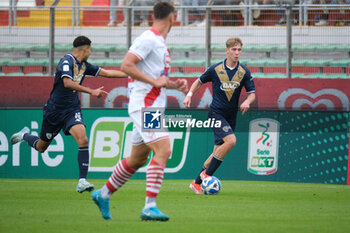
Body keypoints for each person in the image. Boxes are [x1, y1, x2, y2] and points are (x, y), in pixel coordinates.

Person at [91, 1, 188, 221]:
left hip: (150, 103)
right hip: (146, 105)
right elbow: (127, 66)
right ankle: (149, 206)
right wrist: (156, 81)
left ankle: (103, 194)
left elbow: (155, 79)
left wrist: (172, 85)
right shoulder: (149, 38)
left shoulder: (160, 43)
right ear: (173, 17)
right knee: (163, 150)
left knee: (137, 159)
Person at [10, 35, 128, 193]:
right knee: (41, 147)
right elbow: (67, 83)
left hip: (72, 109)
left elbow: (107, 73)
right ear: (85, 49)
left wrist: (132, 74)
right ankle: (24, 136)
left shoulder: (84, 65)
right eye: (90, 49)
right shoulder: (66, 62)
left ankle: (82, 181)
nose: (91, 52)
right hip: (54, 111)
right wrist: (91, 91)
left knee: (83, 139)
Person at [183, 37, 256, 194]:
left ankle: (196, 183)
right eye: (234, 49)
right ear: (227, 51)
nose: (237, 53)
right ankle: (206, 175)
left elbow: (252, 94)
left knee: (217, 151)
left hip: (231, 115)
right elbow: (199, 81)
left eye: (239, 50)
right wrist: (189, 94)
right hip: (216, 113)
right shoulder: (215, 69)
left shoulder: (244, 72)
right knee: (231, 141)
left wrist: (248, 102)